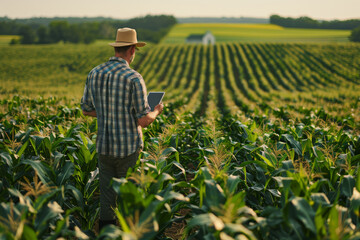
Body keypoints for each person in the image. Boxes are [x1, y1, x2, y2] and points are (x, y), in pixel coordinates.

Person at [80, 27, 164, 231]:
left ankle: (108, 233)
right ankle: (129, 233)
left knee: (107, 196)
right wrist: (156, 110)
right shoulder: (134, 78)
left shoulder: (95, 72)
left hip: (104, 147)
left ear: (117, 48)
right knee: (128, 195)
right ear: (133, 50)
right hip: (128, 148)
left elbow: (86, 109)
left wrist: (108, 112)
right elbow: (143, 121)